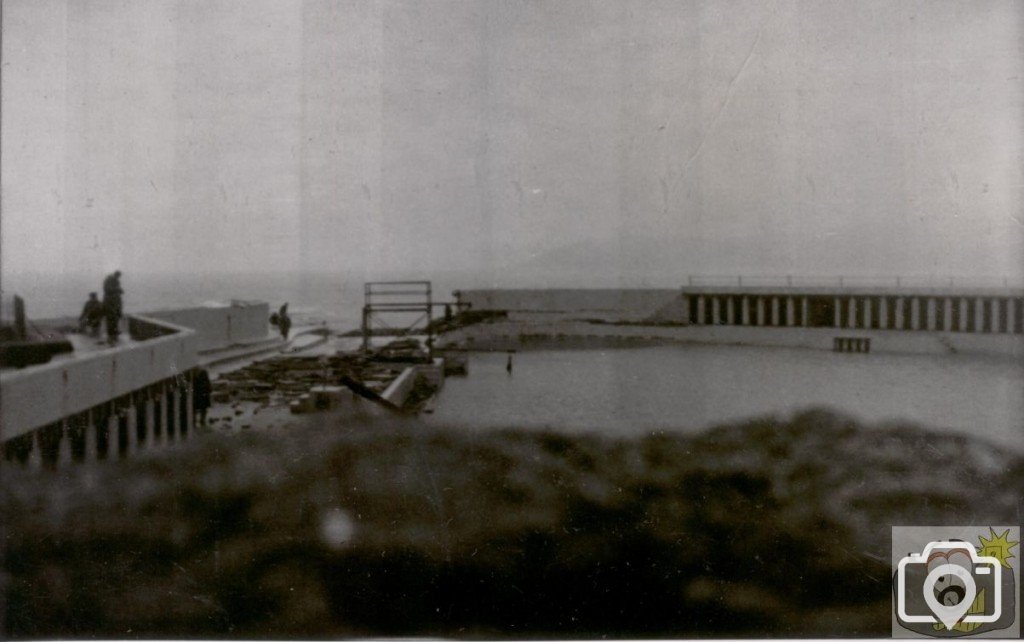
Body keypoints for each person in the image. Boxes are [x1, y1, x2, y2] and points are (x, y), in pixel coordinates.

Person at [102, 270, 124, 343]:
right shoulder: (108, 280)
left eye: (119, 276)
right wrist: (117, 289)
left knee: (115, 318)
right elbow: (107, 289)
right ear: (115, 274)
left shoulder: (116, 281)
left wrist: (119, 290)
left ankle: (114, 332)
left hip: (115, 303)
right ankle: (111, 334)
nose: (118, 277)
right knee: (110, 318)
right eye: (118, 276)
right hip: (109, 302)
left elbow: (118, 290)